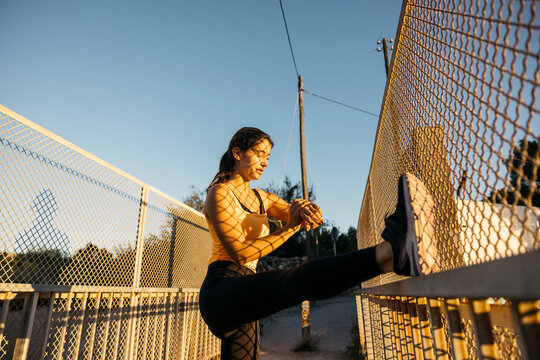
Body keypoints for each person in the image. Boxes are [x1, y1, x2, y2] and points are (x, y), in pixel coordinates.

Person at [199, 127, 437, 360]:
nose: (265, 163)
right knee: (290, 281)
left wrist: (307, 210)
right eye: (259, 155)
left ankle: (396, 253)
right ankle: (390, 254)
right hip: (222, 288)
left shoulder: (262, 197)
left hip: (247, 288)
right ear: (237, 153)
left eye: (268, 157)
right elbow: (239, 253)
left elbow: (310, 218)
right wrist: (291, 227)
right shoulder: (219, 193)